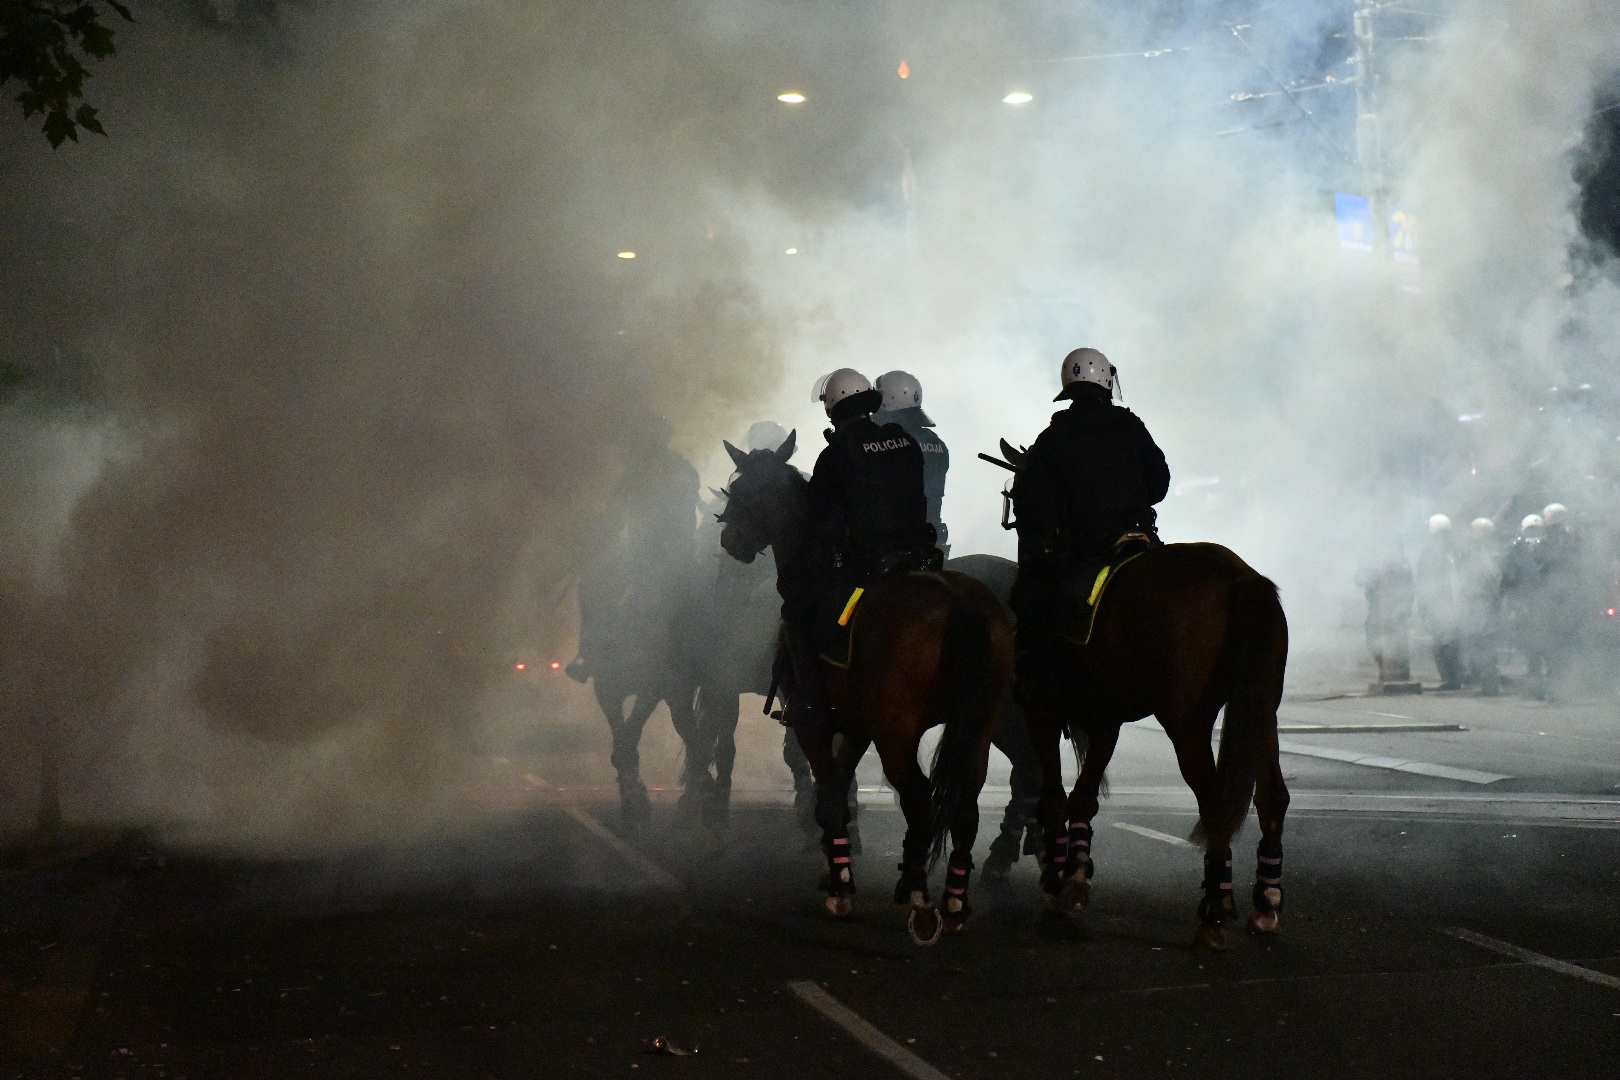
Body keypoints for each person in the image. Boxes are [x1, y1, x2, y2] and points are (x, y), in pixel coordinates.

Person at [1009, 347, 1169, 708]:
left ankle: (1033, 689)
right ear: (1106, 383)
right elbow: (1159, 484)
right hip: (1140, 539)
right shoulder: (1131, 424)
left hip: (1086, 550)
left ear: (1069, 387)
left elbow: (1033, 503)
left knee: (1030, 600)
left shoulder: (1056, 435)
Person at [779, 369, 936, 736]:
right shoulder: (904, 442)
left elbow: (823, 525)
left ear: (833, 408)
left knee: (797, 612)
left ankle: (811, 704)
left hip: (864, 570)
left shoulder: (835, 455)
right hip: (916, 560)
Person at [873, 370, 951, 550]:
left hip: (893, 543)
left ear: (888, 401)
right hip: (931, 541)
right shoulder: (938, 444)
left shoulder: (889, 442)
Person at [1502, 513, 1549, 698]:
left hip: (1526, 603)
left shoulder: (1516, 547)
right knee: (1547, 646)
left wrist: (1508, 598)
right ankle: (1551, 685)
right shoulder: (1549, 544)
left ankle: (1535, 687)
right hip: (1547, 602)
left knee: (1532, 648)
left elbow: (1509, 576)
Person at [1415, 514, 1463, 690]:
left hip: (1440, 603)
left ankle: (1451, 679)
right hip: (1454, 602)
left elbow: (1425, 578)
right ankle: (1457, 676)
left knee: (1442, 643)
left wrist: (1423, 603)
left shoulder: (1431, 551)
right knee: (1453, 641)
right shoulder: (1456, 548)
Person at [1456, 517, 1502, 695]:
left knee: (1482, 642)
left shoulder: (1479, 552)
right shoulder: (1497, 550)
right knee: (1483, 642)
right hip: (1486, 601)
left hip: (1480, 602)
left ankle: (1488, 683)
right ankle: (1486, 680)